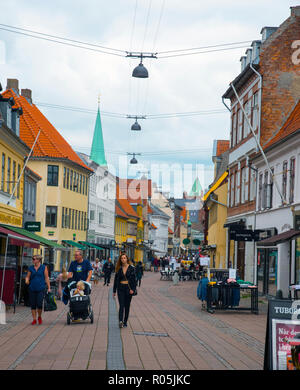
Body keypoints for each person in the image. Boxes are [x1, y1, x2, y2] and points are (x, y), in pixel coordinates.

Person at [25, 255, 51, 325]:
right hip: (32, 288)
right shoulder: (31, 268)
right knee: (33, 304)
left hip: (41, 288)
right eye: (32, 259)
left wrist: (49, 287)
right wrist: (26, 280)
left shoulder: (44, 267)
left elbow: (46, 278)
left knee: (39, 304)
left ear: (38, 260)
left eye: (34, 259)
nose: (33, 260)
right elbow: (27, 277)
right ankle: (34, 319)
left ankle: (39, 316)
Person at [113, 252, 136, 328]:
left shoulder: (132, 268)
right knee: (121, 305)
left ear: (127, 259)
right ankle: (120, 321)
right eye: (122, 258)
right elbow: (116, 280)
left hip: (128, 289)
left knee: (127, 306)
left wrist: (133, 289)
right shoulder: (118, 269)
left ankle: (125, 321)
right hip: (121, 289)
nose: (123, 259)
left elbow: (134, 280)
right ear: (120, 260)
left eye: (124, 258)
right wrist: (114, 291)